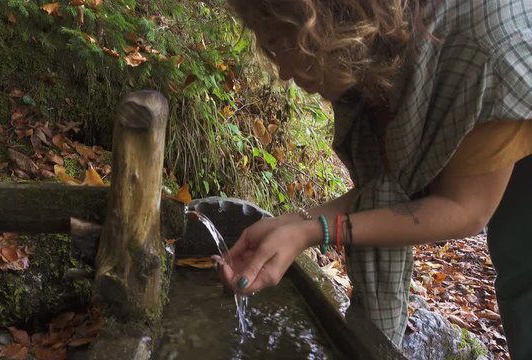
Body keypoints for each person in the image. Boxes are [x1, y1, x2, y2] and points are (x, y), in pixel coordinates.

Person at [213, 0, 532, 358]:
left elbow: (465, 208)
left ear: (325, 22)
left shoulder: (482, 48)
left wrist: (315, 231)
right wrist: (294, 223)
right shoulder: (369, 46)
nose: (283, 70)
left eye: (278, 42)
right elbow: (398, 183)